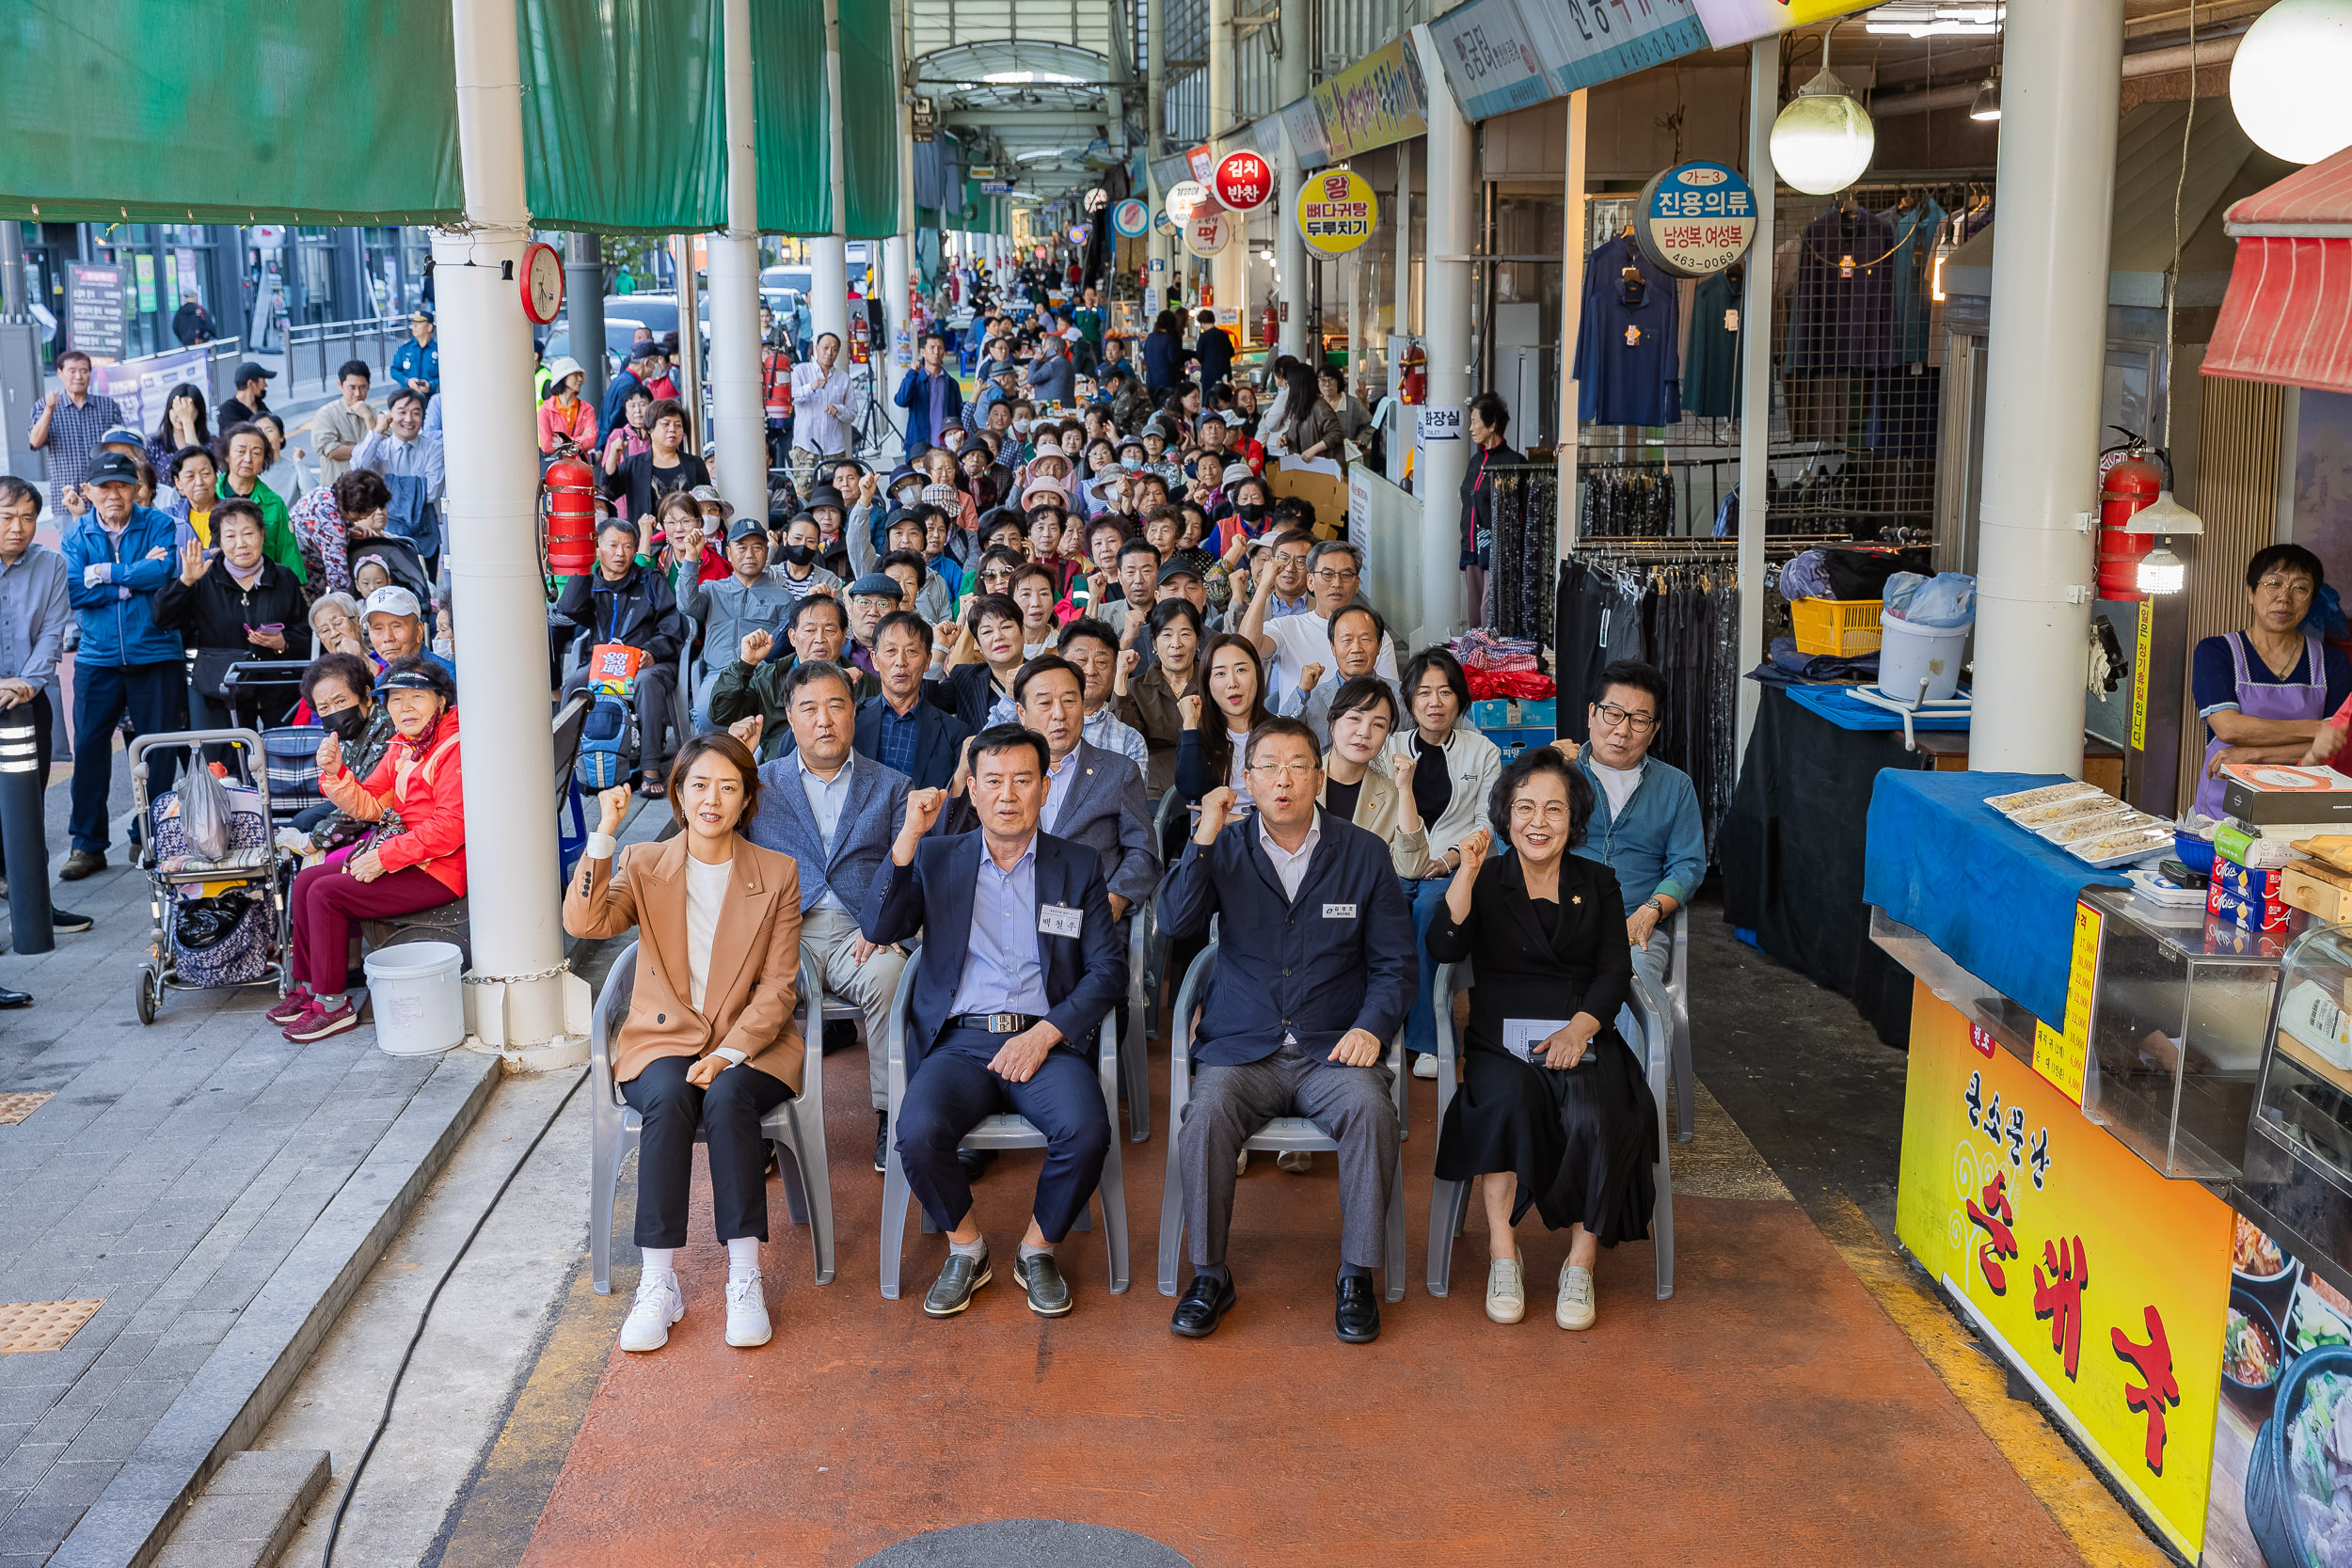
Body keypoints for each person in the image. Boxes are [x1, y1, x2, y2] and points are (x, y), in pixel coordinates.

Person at [1157, 718, 1415, 1342]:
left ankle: (1356, 1274)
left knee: (1371, 1110)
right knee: (1208, 1113)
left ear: (1318, 776)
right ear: (1246, 779)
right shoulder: (1225, 845)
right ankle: (1211, 1273)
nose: (1282, 778)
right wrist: (1202, 837)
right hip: (1244, 1047)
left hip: (1333, 1046)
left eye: (1297, 764)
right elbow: (1172, 919)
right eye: (1267, 765)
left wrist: (1372, 1028)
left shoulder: (1362, 853)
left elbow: (1395, 963)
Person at [860, 725, 1126, 1319]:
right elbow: (880, 928)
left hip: (1045, 1038)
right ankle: (967, 1248)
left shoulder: (1077, 866)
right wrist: (908, 836)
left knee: (1086, 1130)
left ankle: (1038, 1248)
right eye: (994, 781)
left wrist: (1046, 1034)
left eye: (1023, 780)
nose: (1008, 794)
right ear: (973, 791)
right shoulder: (938, 856)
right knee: (919, 1132)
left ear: (1044, 786)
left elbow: (1107, 972)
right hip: (960, 1042)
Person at [562, 732, 806, 1352]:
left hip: (751, 1042)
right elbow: (585, 923)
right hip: (661, 1039)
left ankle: (744, 1275)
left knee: (727, 1097)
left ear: (746, 798)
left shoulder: (776, 873)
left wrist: (728, 1052)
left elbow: (779, 988)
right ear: (678, 793)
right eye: (700, 785)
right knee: (668, 1098)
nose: (712, 798)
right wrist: (603, 834)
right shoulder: (645, 862)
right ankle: (658, 1281)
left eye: (728, 786)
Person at [1428, 747, 1659, 1331]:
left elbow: (1613, 972)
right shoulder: (1487, 878)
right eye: (1525, 807)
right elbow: (1444, 947)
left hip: (1581, 1033)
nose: (1538, 821)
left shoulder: (1599, 882)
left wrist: (1582, 1029)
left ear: (1574, 819)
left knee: (1597, 1111)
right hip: (1501, 1038)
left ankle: (1579, 1265)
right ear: (1505, 816)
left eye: (1554, 809)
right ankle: (1504, 1255)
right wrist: (1465, 874)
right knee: (1506, 1101)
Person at [741, 661, 910, 1174]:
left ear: (853, 714)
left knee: (891, 977)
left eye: (836, 706)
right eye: (809, 709)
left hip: (861, 934)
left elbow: (912, 870)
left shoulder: (892, 785)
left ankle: (891, 1115)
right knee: (744, 986)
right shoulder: (757, 785)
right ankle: (758, 1121)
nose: (824, 720)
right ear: (789, 719)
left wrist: (888, 930)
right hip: (782, 932)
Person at [267, 657, 467, 1042]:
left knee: (327, 893)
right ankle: (308, 987)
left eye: (416, 697)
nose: (404, 707)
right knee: (309, 879)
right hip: (412, 856)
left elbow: (450, 829)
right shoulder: (404, 745)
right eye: (395, 698)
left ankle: (332, 1004)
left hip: (441, 870)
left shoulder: (451, 747)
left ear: (440, 702)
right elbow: (371, 803)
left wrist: (383, 858)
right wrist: (336, 773)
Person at [59, 451, 184, 879]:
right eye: (105, 487)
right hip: (98, 656)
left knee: (158, 751)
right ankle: (87, 845)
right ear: (89, 492)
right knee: (91, 750)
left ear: (136, 489)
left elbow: (163, 574)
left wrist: (104, 574)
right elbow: (75, 589)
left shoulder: (160, 524)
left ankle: (151, 836)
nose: (114, 494)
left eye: (123, 485)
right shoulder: (77, 534)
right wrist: (130, 577)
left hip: (156, 652)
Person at [1551, 660, 1706, 999]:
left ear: (1654, 730)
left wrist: (1650, 910)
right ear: (1592, 714)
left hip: (1636, 924)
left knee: (1636, 986)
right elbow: (1511, 834)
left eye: (1639, 720)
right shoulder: (1558, 774)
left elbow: (1688, 865)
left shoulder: (1676, 787)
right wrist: (1542, 762)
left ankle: (1637, 1055)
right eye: (1613, 713)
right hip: (1558, 916)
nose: (1622, 730)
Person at [1388, 647, 1503, 1077]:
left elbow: (1487, 820)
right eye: (1424, 693)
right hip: (1398, 863)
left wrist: (1453, 857)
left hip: (1456, 868)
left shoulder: (1482, 751)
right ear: (1410, 700)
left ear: (1460, 698)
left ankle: (1433, 1041)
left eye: (1445, 692)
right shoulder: (1392, 746)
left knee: (1429, 911)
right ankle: (1383, 1029)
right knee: (1384, 910)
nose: (1434, 702)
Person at [2190, 544, 2352, 816]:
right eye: (2273, 583)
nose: (2284, 598)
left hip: (2300, 809)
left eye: (2300, 587)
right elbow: (2229, 728)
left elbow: (2335, 745)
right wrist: (2317, 729)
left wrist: (2254, 755)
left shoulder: (2332, 662)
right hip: (2224, 810)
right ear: (2251, 593)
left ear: (2311, 600)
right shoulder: (2217, 651)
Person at [0, 476, 86, 942]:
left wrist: (28, 684)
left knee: (28, 803)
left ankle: (33, 902)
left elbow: (54, 631)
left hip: (29, 700)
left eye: (28, 518)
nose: (19, 527)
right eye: (8, 517)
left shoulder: (51, 563)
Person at [154, 499, 305, 736]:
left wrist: (284, 643)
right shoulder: (203, 578)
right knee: (227, 768)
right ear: (219, 541)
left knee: (281, 763)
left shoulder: (285, 578)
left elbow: (306, 632)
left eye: (248, 533)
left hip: (278, 690)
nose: (241, 544)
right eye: (231, 536)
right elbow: (162, 619)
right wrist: (185, 582)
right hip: (222, 691)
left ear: (262, 535)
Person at [559, 517, 687, 794]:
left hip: (648, 663)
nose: (621, 553)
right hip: (604, 665)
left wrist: (652, 651)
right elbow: (569, 607)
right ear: (598, 548)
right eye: (613, 545)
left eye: (629, 547)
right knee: (574, 684)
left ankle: (650, 767)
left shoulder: (650, 580)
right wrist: (582, 569)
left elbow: (672, 626)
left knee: (647, 682)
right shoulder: (591, 582)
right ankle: (569, 762)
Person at [1241, 539, 1398, 707]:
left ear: (1357, 584)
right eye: (1327, 574)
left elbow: (1391, 697)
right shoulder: (1286, 627)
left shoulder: (1373, 635)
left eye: (1346, 575)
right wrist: (1265, 585)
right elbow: (1247, 648)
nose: (1337, 583)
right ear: (1310, 581)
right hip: (1296, 729)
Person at [711, 595, 870, 760]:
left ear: (844, 636)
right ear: (793, 637)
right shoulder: (767, 679)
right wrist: (745, 664)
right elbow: (721, 714)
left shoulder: (863, 681)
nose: (819, 639)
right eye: (810, 630)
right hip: (780, 776)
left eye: (829, 630)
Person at [676, 517, 798, 731]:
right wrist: (691, 558)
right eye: (741, 548)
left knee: (769, 722)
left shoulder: (783, 597)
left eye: (757, 547)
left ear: (766, 552)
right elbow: (686, 604)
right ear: (729, 553)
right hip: (719, 673)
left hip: (763, 674)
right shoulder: (713, 590)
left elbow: (790, 646)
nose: (750, 554)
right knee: (707, 716)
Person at [1319, 675, 1438, 880]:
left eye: (1379, 725)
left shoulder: (1392, 794)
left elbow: (1412, 868)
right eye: (1355, 718)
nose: (1364, 732)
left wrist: (1405, 791)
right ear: (1332, 721)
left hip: (1364, 904)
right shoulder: (1299, 778)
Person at [282, 653, 394, 850]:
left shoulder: (386, 728)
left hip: (381, 813)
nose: (334, 711)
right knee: (302, 821)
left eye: (341, 701)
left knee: (310, 834)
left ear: (366, 696)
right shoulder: (343, 734)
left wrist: (313, 842)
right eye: (324, 707)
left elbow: (366, 803)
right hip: (354, 803)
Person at [1116, 597, 1201, 799]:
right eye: (1167, 635)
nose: (1176, 644)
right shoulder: (1135, 688)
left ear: (1197, 642)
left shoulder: (1214, 683)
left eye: (1185, 634)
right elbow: (1124, 742)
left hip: (1206, 783)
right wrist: (1120, 677)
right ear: (1154, 643)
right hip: (1152, 790)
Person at [1279, 603, 1396, 748]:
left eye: (1365, 640)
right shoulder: (1312, 697)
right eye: (1347, 640)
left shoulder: (1401, 695)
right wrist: (1302, 691)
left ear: (1379, 645)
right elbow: (1281, 735)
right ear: (1333, 646)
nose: (1356, 649)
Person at [600, 399, 709, 551]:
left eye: (678, 425)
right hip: (647, 545)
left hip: (688, 545)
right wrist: (613, 457)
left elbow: (708, 504)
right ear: (650, 428)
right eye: (666, 424)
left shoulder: (695, 464)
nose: (672, 429)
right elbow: (609, 491)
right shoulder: (634, 465)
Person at [27, 349, 128, 514]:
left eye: (84, 371)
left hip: (105, 495)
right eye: (72, 371)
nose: (78, 377)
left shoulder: (108, 406)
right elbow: (35, 442)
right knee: (72, 539)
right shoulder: (43, 406)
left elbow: (121, 448)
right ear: (60, 373)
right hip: (67, 497)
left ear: (90, 373)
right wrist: (49, 411)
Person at [349, 391, 446, 562]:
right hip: (384, 531)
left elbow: (431, 493)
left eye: (416, 413)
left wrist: (385, 485)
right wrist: (378, 430)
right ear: (389, 414)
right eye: (402, 412)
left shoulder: (435, 449)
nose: (408, 419)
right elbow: (359, 467)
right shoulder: (379, 447)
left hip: (425, 534)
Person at [1173, 633, 1271, 801]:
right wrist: (1189, 723)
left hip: (1269, 827)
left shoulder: (1279, 732)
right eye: (1220, 674)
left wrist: (1235, 819)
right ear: (1207, 684)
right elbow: (1192, 789)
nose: (1232, 683)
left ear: (1257, 674)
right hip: (1217, 827)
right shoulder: (1199, 738)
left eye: (1241, 670)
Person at [1055, 618, 1150, 778]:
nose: (1090, 670)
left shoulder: (1130, 741)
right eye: (1081, 660)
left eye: (1101, 662)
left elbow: (1132, 801)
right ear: (1059, 666)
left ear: (1114, 671)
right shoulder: (1036, 724)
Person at [1460, 391, 1521, 626]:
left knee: (1490, 612)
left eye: (1475, 422)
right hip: (1471, 547)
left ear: (1492, 424)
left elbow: (1519, 514)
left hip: (1498, 550)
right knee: (1475, 615)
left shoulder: (1514, 462)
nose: (1471, 428)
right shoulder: (1475, 462)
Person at [362, 585, 455, 678]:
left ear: (419, 631)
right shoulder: (379, 683)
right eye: (378, 628)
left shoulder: (450, 678)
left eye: (396, 626)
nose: (387, 638)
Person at [791, 333, 857, 466]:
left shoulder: (844, 378)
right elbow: (793, 398)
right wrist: (812, 387)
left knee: (835, 486)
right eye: (825, 348)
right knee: (803, 486)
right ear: (816, 348)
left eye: (834, 349)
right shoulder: (800, 371)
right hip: (805, 447)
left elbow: (852, 414)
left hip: (834, 449)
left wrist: (838, 409)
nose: (829, 353)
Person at [894, 329, 964, 451]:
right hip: (918, 446)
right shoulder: (915, 380)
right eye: (932, 348)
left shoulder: (952, 384)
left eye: (940, 348)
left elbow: (959, 416)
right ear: (922, 352)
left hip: (946, 447)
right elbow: (901, 401)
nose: (936, 352)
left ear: (944, 353)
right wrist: (912, 374)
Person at [312, 361, 375, 487]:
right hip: (338, 492)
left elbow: (383, 450)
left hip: (370, 492)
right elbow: (332, 452)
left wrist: (368, 418)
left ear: (369, 386)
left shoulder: (376, 415)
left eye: (362, 387)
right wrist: (369, 449)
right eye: (352, 387)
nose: (357, 393)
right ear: (340, 385)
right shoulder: (326, 414)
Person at [599, 341, 668, 446]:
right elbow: (617, 420)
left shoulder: (621, 380)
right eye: (655, 361)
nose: (657, 365)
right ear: (647, 363)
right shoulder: (630, 386)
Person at [147, 383, 213, 482]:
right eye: (176, 409)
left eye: (187, 410)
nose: (181, 415)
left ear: (199, 412)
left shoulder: (211, 443)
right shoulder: (154, 444)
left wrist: (187, 422)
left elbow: (197, 465)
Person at [538, 356, 596, 455]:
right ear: (562, 377)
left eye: (580, 376)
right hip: (558, 469)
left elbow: (592, 440)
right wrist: (580, 439)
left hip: (581, 468)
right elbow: (546, 445)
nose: (580, 379)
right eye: (575, 375)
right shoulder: (546, 409)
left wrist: (559, 441)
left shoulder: (587, 409)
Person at [389, 309, 440, 403]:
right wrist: (407, 381)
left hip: (430, 399)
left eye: (420, 322)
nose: (414, 326)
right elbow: (394, 370)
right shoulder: (405, 349)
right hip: (408, 398)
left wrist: (431, 384)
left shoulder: (439, 350)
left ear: (429, 327)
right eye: (413, 322)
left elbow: (446, 375)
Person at [1142, 310, 1192, 399]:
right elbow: (1173, 359)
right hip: (1167, 382)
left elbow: (1145, 356)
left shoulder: (1150, 337)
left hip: (1151, 382)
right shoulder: (1169, 339)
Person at [1319, 365, 1373, 446]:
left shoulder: (1352, 403)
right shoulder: (1315, 405)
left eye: (1331, 379)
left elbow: (1369, 424)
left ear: (1338, 381)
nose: (1327, 384)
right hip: (1319, 455)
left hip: (1347, 454)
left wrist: (1360, 441)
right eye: (1323, 380)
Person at [215, 360, 276, 429]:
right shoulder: (228, 409)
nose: (266, 385)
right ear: (250, 384)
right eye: (263, 381)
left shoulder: (260, 406)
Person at [1194, 309, 1235, 395]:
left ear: (1202, 323)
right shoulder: (1224, 335)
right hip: (1224, 374)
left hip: (1208, 375)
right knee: (1223, 398)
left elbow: (1199, 355)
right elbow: (1231, 352)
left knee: (1209, 399)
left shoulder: (1203, 337)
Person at [1026, 333, 1075, 405]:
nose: (1043, 350)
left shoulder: (1052, 365)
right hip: (1065, 406)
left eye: (1045, 347)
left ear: (1054, 348)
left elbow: (1031, 379)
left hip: (1051, 409)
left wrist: (1035, 360)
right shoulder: (1068, 363)